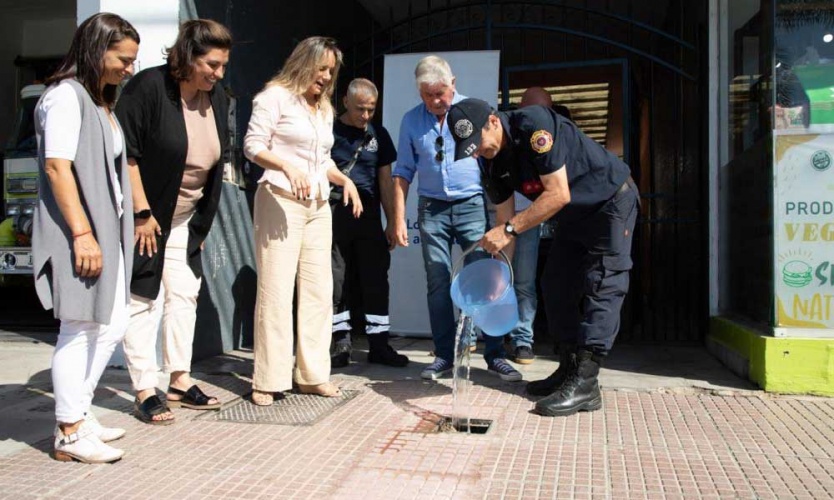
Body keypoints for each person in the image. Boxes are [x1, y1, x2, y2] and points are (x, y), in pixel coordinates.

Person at [447, 97, 639, 417]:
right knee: (555, 284)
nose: (477, 152)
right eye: (470, 149)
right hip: (573, 215)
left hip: (609, 202)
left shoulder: (534, 126)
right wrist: (498, 279)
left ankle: (586, 383)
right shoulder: (491, 161)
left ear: (493, 122)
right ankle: (568, 368)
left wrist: (509, 230)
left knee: (601, 283)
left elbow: (557, 193)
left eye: (477, 143)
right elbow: (502, 222)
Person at [32, 12, 139, 462]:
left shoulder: (99, 102)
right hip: (78, 230)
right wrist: (82, 234)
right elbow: (58, 167)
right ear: (97, 50)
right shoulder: (64, 97)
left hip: (104, 229)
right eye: (123, 59)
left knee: (111, 324)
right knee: (79, 326)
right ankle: (69, 431)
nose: (129, 68)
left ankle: (79, 410)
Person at [115, 19, 232, 425]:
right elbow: (127, 154)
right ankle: (145, 388)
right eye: (212, 65)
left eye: (223, 66)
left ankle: (179, 379)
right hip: (148, 215)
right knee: (144, 300)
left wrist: (201, 220)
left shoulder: (216, 97)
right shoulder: (149, 87)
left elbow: (216, 161)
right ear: (188, 56)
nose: (218, 74)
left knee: (184, 294)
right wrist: (142, 213)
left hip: (186, 218)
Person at [244, 36, 362, 406]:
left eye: (331, 71)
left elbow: (320, 161)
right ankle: (268, 378)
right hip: (279, 201)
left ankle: (312, 376)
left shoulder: (323, 108)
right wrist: (285, 166)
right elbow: (253, 145)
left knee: (318, 292)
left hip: (318, 206)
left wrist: (343, 179)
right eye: (321, 68)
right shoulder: (273, 97)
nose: (327, 77)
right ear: (302, 63)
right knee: (277, 291)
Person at [392, 55, 521, 382]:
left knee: (485, 280)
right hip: (431, 209)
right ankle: (444, 356)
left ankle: (495, 355)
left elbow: (493, 160)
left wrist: (499, 216)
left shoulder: (472, 112)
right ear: (419, 93)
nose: (436, 101)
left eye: (441, 93)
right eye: (427, 95)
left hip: (471, 205)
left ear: (453, 84)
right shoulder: (410, 121)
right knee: (437, 282)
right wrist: (395, 218)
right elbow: (403, 172)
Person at [329, 78, 408, 368]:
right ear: (346, 102)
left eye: (371, 110)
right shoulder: (328, 130)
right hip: (335, 212)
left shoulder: (379, 134)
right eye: (360, 109)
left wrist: (392, 221)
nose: (365, 116)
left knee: (376, 280)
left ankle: (379, 344)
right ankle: (341, 342)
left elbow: (386, 181)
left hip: (370, 216)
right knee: (337, 280)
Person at [503, 86, 555, 366]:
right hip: (501, 216)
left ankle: (523, 340)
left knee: (524, 282)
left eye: (544, 111)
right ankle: (493, 337)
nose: (538, 117)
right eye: (532, 110)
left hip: (531, 218)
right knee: (497, 279)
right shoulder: (507, 133)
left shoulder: (551, 137)